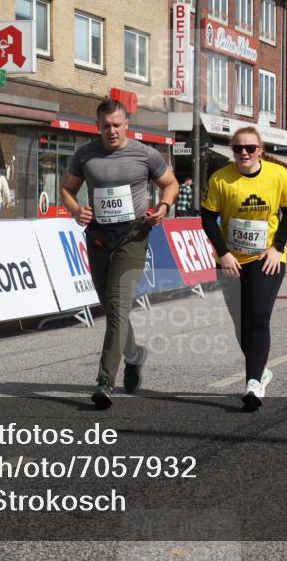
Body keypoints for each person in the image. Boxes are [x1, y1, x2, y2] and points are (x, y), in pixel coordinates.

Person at [59, 99, 178, 409]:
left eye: (116, 125)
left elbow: (170, 183)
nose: (110, 131)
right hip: (98, 237)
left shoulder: (145, 154)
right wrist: (75, 210)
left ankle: (104, 382)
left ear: (127, 125)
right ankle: (135, 355)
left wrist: (163, 207)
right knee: (112, 309)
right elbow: (67, 189)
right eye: (105, 125)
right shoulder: (85, 154)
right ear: (97, 126)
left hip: (133, 236)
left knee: (117, 305)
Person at [201, 127, 287, 411]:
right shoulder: (221, 179)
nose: (244, 153)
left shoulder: (278, 175)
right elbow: (208, 219)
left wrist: (277, 247)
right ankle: (261, 370)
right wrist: (224, 253)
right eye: (238, 148)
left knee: (258, 316)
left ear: (261, 150)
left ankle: (253, 384)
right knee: (241, 323)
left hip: (266, 259)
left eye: (250, 148)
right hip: (231, 261)